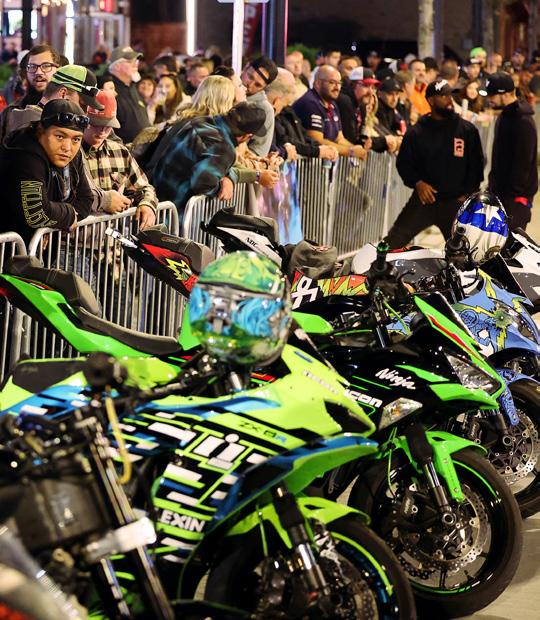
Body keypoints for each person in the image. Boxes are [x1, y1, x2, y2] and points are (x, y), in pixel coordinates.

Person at [386, 78, 484, 248]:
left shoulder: (466, 130)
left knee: (465, 251)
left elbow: (477, 164)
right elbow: (404, 164)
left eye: (450, 95)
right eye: (444, 96)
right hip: (425, 201)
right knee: (391, 244)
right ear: (431, 100)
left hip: (455, 203)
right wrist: (418, 183)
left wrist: (467, 194)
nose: (449, 100)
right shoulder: (416, 132)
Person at [0, 99, 92, 243]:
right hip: (8, 249)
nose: (67, 147)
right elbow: (36, 212)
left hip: (34, 250)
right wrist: (68, 215)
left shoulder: (73, 154)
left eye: (76, 139)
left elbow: (86, 200)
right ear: (40, 130)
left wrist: (53, 220)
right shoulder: (24, 152)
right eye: (59, 136)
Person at [153, 102, 266, 215]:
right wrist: (222, 187)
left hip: (156, 204)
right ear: (247, 136)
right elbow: (203, 183)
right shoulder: (223, 148)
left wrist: (229, 178)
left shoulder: (201, 121)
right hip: (172, 215)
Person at [82, 90, 157, 230]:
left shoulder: (120, 152)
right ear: (85, 120)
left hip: (111, 238)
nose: (102, 131)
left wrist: (147, 204)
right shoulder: (71, 153)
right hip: (75, 239)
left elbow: (144, 187)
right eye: (96, 124)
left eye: (108, 125)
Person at [481, 71, 538, 230]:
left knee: (511, 242)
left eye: (492, 95)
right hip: (501, 195)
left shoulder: (523, 121)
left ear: (506, 94)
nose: (489, 99)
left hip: (515, 200)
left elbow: (523, 164)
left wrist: (512, 197)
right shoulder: (504, 116)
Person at [293, 65, 367, 159]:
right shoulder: (310, 103)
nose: (337, 87)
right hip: (308, 163)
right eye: (332, 82)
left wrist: (356, 149)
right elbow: (317, 141)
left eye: (339, 83)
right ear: (318, 83)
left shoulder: (332, 104)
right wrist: (350, 151)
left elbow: (339, 138)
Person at [267, 67, 338, 162]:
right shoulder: (309, 103)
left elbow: (302, 134)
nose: (295, 89)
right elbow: (283, 139)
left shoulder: (288, 109)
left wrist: (321, 147)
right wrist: (316, 151)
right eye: (332, 82)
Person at [7, 64, 103, 133]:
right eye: (83, 104)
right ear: (63, 94)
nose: (85, 112)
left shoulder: (31, 119)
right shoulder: (38, 128)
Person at [0, 44, 62, 142]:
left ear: (58, 69)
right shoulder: (11, 112)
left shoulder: (68, 110)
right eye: (32, 66)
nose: (38, 72)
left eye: (46, 66)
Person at [107, 46, 150, 143]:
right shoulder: (109, 89)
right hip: (124, 148)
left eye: (136, 61)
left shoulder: (132, 86)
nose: (135, 65)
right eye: (130, 62)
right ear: (117, 66)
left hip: (144, 147)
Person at [241, 56, 278, 156]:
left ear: (265, 87)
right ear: (246, 67)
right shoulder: (224, 88)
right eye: (250, 77)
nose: (250, 85)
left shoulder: (265, 110)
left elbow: (258, 151)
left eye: (258, 85)